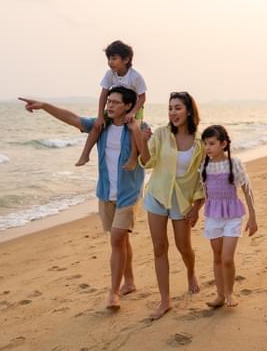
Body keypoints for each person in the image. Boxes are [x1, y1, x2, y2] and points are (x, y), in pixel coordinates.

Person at [18, 86, 145, 311]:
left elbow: (147, 156)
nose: (110, 105)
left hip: (129, 193)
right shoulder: (101, 126)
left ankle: (113, 293)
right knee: (121, 240)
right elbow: (72, 118)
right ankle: (130, 282)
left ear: (127, 105)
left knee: (116, 239)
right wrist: (45, 106)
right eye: (109, 102)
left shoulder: (139, 127)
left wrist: (138, 132)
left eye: (116, 102)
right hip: (106, 192)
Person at [130, 91, 205, 320]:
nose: (173, 112)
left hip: (182, 201)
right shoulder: (161, 134)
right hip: (157, 196)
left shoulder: (200, 142)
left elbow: (203, 179)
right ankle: (165, 300)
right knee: (159, 248)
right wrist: (142, 140)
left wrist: (197, 206)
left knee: (184, 247)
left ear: (189, 111)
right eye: (170, 108)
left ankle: (191, 272)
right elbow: (147, 162)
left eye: (178, 108)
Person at [199, 125, 258, 308]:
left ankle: (230, 292)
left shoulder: (235, 164)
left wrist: (252, 217)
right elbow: (204, 193)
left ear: (223, 144)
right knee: (217, 257)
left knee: (227, 257)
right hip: (213, 216)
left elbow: (247, 190)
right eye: (205, 144)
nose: (208, 148)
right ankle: (220, 295)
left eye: (212, 143)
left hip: (233, 215)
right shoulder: (204, 166)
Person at [76, 40, 147, 170]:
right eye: (109, 58)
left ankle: (132, 158)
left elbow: (142, 98)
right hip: (117, 104)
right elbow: (103, 95)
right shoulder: (110, 74)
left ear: (126, 59)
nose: (110, 62)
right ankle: (85, 154)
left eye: (114, 58)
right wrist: (100, 116)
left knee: (134, 127)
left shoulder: (135, 76)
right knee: (98, 126)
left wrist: (132, 113)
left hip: (135, 106)